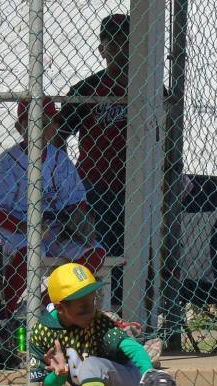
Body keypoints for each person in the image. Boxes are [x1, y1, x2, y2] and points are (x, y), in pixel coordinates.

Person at [0, 97, 105, 320]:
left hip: (55, 227)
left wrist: (77, 221)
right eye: (35, 122)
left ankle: (40, 308)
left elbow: (77, 201)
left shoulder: (60, 159)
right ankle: (6, 313)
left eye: (48, 121)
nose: (44, 128)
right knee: (30, 252)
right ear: (20, 127)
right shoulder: (7, 162)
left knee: (95, 253)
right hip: (15, 227)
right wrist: (28, 227)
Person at [31, 263, 155, 386]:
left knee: (91, 365)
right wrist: (59, 374)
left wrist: (148, 372)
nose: (91, 309)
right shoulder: (42, 333)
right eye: (82, 306)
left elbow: (133, 348)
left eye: (92, 300)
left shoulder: (100, 322)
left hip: (124, 382)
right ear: (61, 306)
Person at [59, 14, 131, 306]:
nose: (121, 49)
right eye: (113, 42)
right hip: (95, 185)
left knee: (131, 252)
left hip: (135, 187)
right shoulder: (86, 89)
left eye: (127, 41)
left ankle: (127, 309)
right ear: (102, 49)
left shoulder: (151, 88)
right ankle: (95, 308)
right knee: (102, 247)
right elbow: (57, 135)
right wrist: (65, 180)